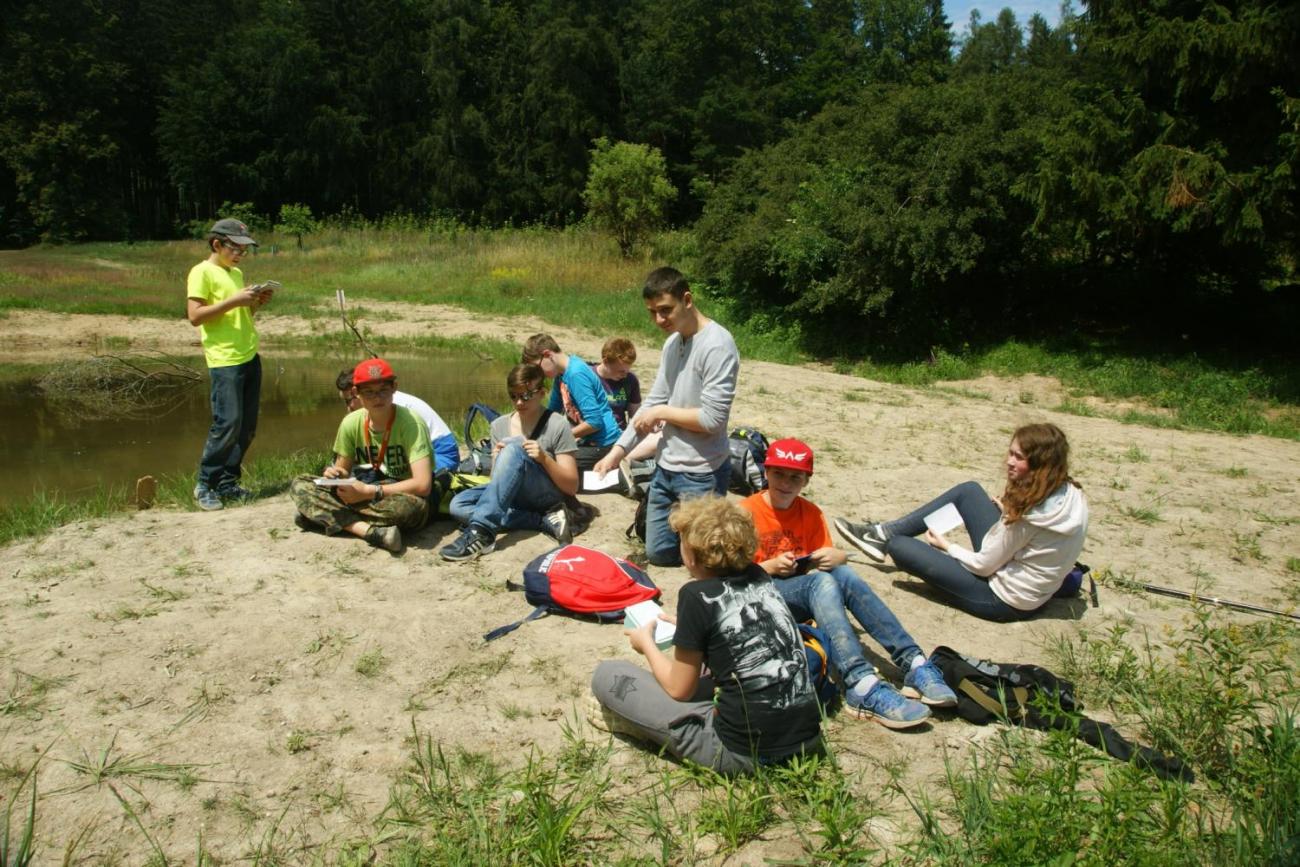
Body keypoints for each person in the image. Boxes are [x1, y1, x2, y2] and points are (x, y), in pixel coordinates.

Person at [590, 497, 823, 774]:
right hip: (807, 742)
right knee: (705, 678)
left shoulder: (694, 595)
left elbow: (680, 689)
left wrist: (647, 645)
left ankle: (643, 725)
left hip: (740, 753)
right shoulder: (759, 576)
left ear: (692, 552)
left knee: (608, 674)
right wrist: (698, 631)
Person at [738, 438, 956, 729]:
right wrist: (767, 566)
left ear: (806, 480)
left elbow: (822, 558)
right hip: (761, 598)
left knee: (843, 574)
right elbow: (729, 576)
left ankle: (913, 662)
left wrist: (835, 555)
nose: (786, 482)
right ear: (766, 472)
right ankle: (860, 682)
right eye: (779, 473)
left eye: (795, 477)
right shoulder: (745, 512)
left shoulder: (811, 513)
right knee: (822, 584)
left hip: (803, 594)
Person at [835, 423, 1089, 623]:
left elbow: (984, 566)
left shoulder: (1030, 515)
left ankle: (887, 539)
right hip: (1024, 579)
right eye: (1010, 453)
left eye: (1018, 457)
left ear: (1040, 465)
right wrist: (1006, 514)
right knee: (969, 492)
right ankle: (881, 533)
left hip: (1002, 600)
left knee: (900, 546)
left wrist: (946, 546)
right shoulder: (1070, 493)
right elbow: (1031, 543)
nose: (1009, 461)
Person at [593, 267, 739, 566]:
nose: (659, 320)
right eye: (652, 312)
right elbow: (654, 402)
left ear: (687, 299)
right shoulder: (673, 343)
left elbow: (713, 419)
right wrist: (616, 453)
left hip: (703, 471)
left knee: (700, 560)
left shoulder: (718, 345)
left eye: (665, 310)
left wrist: (662, 413)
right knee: (658, 553)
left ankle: (717, 525)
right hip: (666, 466)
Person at [289, 358, 432, 553]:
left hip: (397, 493)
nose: (377, 398)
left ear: (394, 388)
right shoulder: (351, 422)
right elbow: (343, 471)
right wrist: (334, 475)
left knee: (410, 509)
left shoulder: (411, 424)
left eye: (383, 390)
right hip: (364, 493)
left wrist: (368, 491)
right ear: (356, 393)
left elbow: (423, 485)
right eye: (369, 392)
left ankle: (322, 516)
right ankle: (370, 532)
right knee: (301, 483)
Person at [440, 363, 579, 561]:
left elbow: (571, 486)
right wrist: (497, 458)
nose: (519, 402)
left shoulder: (557, 424)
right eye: (513, 396)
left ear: (542, 393)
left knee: (514, 449)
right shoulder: (499, 425)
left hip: (545, 494)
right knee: (458, 505)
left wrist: (544, 459)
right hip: (515, 498)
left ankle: (482, 532)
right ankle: (540, 521)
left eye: (526, 395)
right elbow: (497, 483)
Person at [186, 218, 274, 511]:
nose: (240, 254)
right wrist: (236, 300)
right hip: (224, 360)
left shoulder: (235, 273)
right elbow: (195, 316)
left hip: (249, 355)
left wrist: (255, 301)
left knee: (247, 427)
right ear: (217, 244)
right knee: (227, 424)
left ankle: (228, 483)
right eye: (235, 248)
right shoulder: (201, 272)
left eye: (244, 250)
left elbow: (241, 315)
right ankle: (205, 485)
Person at [521, 333, 622, 469]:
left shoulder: (576, 374)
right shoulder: (561, 375)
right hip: (587, 441)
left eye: (537, 368)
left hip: (604, 444)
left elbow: (595, 422)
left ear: (547, 355)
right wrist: (529, 432)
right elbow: (551, 413)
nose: (539, 374)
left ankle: (621, 468)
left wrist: (558, 436)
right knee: (533, 456)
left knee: (548, 466)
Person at [334, 368, 460, 472]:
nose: (349, 407)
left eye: (348, 400)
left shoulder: (388, 406)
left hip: (440, 451)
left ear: (356, 392)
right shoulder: (378, 404)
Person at [590, 337, 642, 430]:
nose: (625, 375)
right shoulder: (588, 377)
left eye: (628, 370)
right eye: (621, 371)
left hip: (618, 435)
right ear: (605, 361)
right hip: (590, 434)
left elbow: (635, 414)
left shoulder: (630, 380)